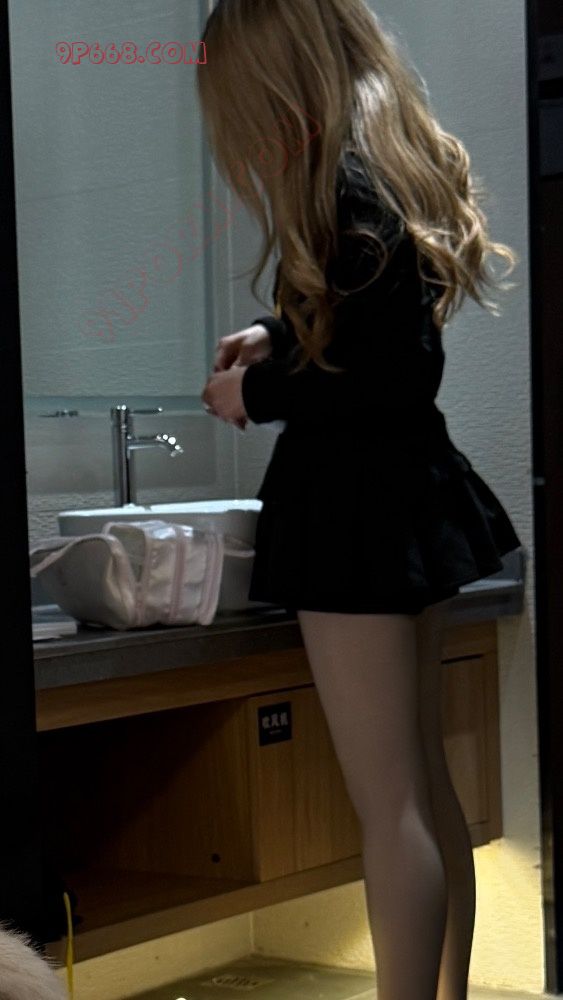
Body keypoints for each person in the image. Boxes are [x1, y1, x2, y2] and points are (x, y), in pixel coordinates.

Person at [198, 3, 523, 1000]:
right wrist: (276, 331)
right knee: (421, 787)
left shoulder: (346, 192)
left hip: (354, 514)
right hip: (405, 500)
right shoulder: (379, 174)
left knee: (390, 809)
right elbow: (380, 331)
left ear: (277, 87)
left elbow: (381, 372)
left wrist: (256, 391)